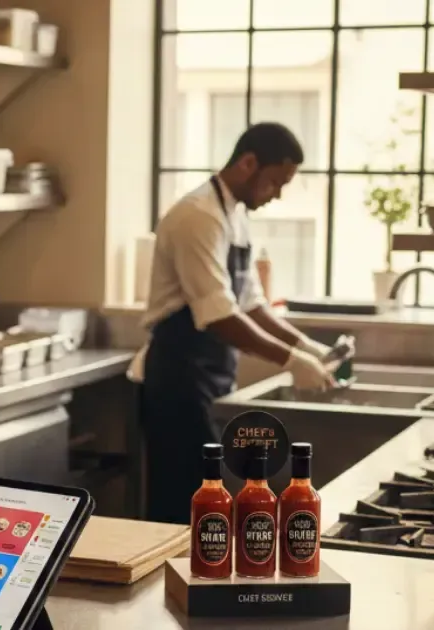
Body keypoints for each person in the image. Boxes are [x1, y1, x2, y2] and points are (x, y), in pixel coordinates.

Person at [129, 122, 336, 525]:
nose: (276, 194)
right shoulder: (198, 216)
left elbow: (252, 304)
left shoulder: (235, 216)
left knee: (210, 501)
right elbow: (219, 315)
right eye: (275, 181)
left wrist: (309, 347)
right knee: (182, 503)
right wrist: (292, 361)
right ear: (248, 163)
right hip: (178, 379)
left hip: (210, 379)